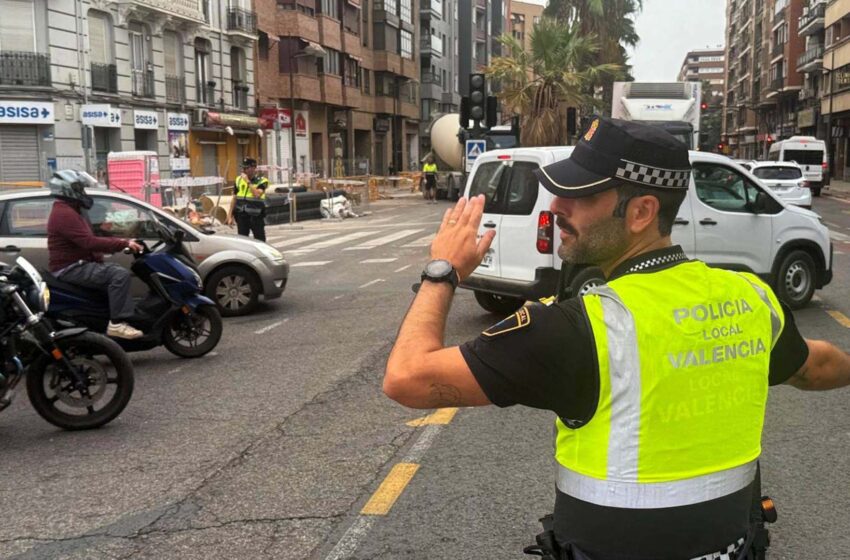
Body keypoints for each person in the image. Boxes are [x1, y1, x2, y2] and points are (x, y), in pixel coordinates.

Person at [382, 116, 850, 560]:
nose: (556, 208)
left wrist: (442, 272)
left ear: (642, 212)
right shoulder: (750, 298)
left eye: (579, 195)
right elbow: (816, 367)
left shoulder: (577, 328)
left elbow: (406, 379)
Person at [46, 170, 144, 340]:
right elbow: (88, 242)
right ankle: (117, 323)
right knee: (119, 275)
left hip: (77, 264)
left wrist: (119, 239)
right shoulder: (65, 214)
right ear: (68, 190)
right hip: (70, 268)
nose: (83, 193)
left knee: (114, 270)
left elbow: (88, 239)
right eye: (80, 189)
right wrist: (123, 244)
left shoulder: (69, 210)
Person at [227, 158, 268, 241]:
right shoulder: (238, 180)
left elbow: (257, 194)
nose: (243, 170)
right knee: (243, 241)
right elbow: (234, 198)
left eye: (246, 168)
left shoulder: (262, 181)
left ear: (253, 168)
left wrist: (248, 181)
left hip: (256, 216)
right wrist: (229, 216)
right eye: (243, 168)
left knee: (260, 240)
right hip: (241, 215)